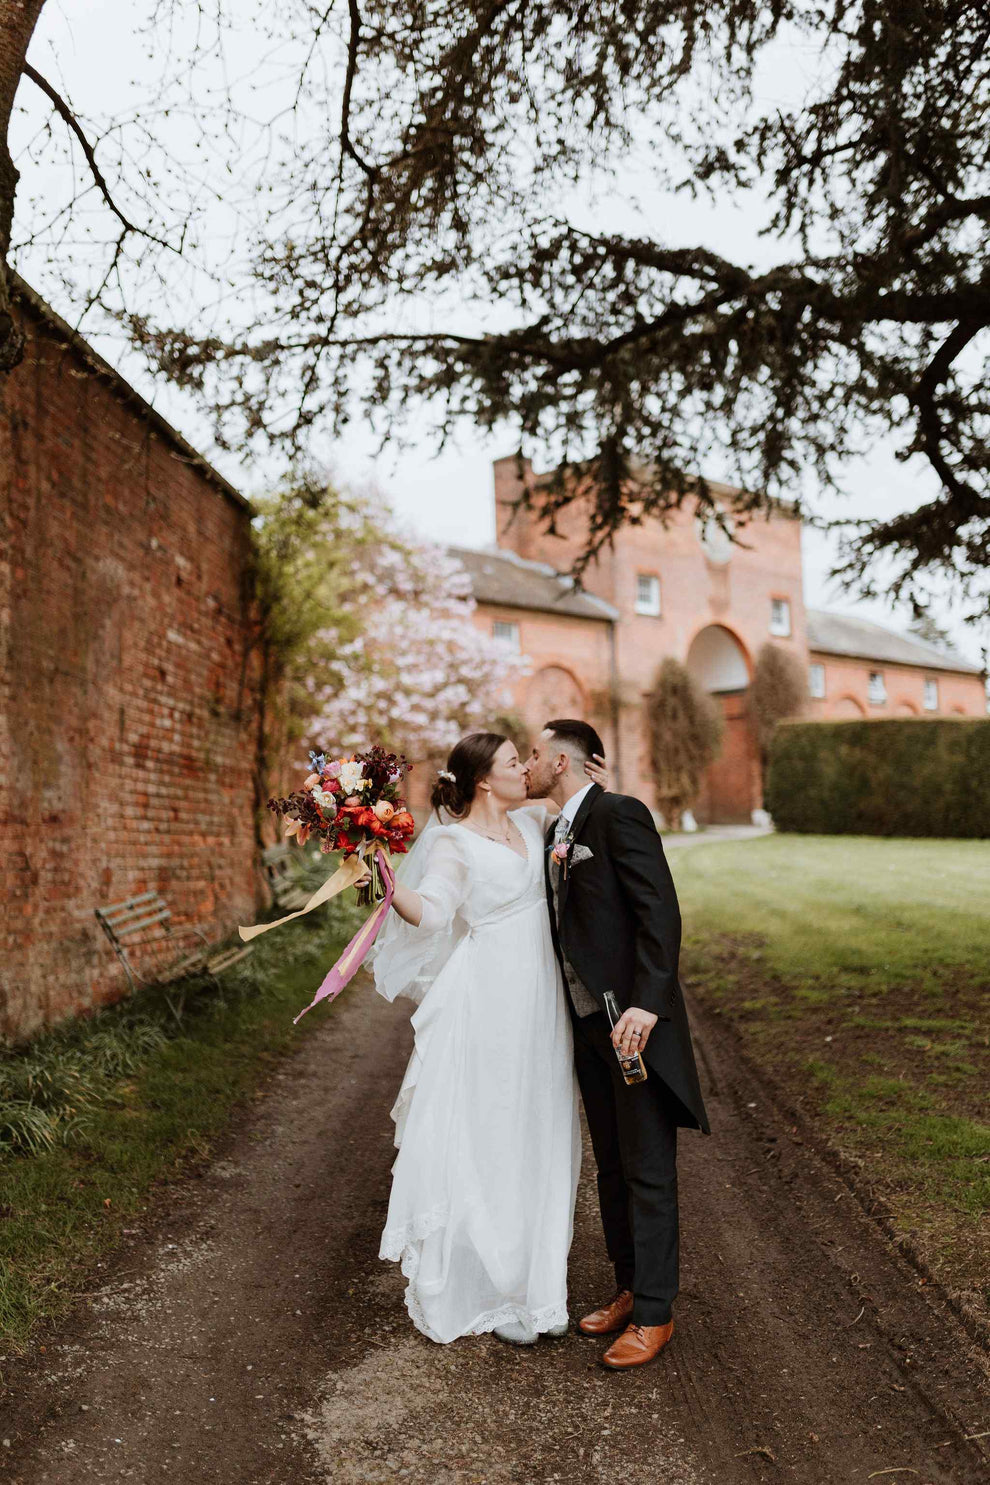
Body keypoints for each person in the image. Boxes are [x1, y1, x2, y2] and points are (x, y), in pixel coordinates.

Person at [372, 731, 606, 1346]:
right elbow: (436, 910)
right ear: (483, 780)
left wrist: (601, 786)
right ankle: (493, 1288)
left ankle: (539, 1288)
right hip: (490, 1000)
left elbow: (585, 812)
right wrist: (386, 883)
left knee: (543, 1127)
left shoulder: (534, 827)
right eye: (511, 762)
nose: (524, 769)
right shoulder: (453, 841)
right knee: (493, 1130)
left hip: (543, 1001)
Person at [522, 719, 710, 1370]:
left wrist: (646, 1004)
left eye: (535, 752)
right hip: (585, 1027)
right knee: (611, 1164)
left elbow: (661, 913)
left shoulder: (619, 814)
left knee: (648, 1167)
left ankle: (657, 1312)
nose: (527, 760)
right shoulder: (555, 828)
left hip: (632, 1026)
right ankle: (629, 1286)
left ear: (564, 760)